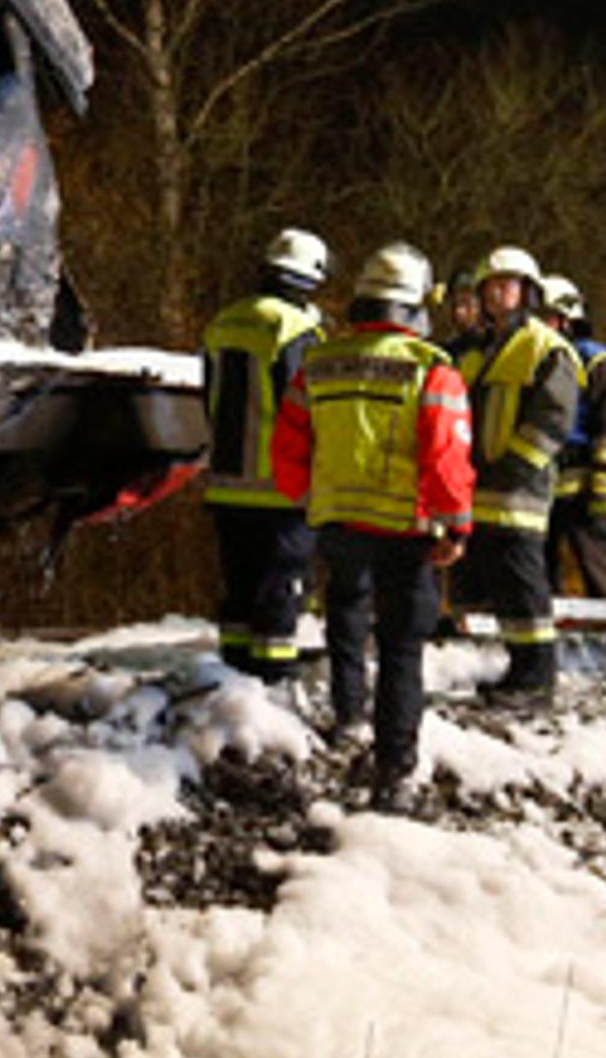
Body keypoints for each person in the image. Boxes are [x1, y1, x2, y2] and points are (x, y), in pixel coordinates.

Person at [272, 243, 473, 808]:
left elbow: (287, 450)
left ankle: (348, 713)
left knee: (345, 618)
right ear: (415, 302)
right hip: (406, 531)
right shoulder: (432, 369)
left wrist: (315, 497)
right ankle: (394, 767)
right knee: (402, 650)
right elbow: (445, 457)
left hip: (336, 524)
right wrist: (454, 526)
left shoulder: (319, 363)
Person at [199, 225, 331, 677]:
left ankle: (234, 674)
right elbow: (306, 407)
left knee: (239, 587)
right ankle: (275, 680)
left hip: (226, 482)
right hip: (280, 486)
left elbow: (207, 396)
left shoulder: (224, 322)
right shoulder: (295, 328)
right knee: (280, 589)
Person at [454, 246, 582, 701]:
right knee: (504, 587)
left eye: (507, 284)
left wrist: (515, 466)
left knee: (525, 585)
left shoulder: (546, 348)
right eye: (491, 285)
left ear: (528, 291)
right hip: (483, 489)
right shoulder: (477, 352)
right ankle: (520, 671)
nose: (497, 293)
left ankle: (538, 678)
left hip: (519, 492)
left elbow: (554, 417)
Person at [542, 273, 606, 598]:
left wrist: (602, 488)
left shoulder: (595, 361)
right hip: (543, 484)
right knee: (541, 574)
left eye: (545, 316)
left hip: (583, 484)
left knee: (599, 569)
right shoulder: (537, 358)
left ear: (565, 319)